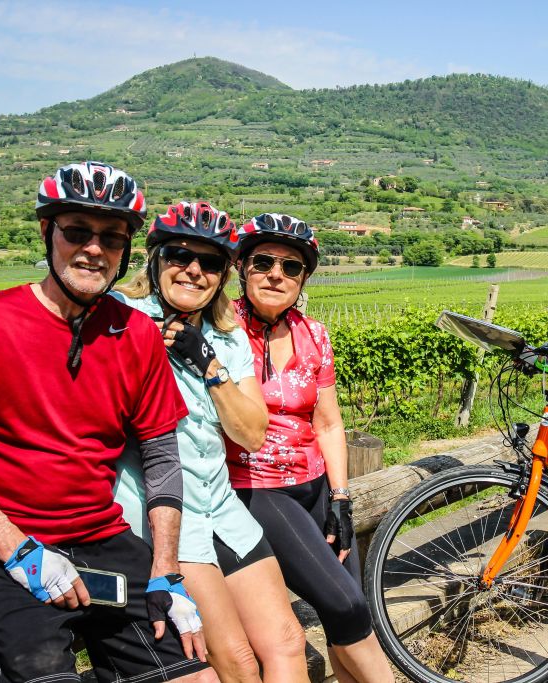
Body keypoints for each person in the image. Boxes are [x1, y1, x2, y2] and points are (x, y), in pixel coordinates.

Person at [0, 201, 311, 682]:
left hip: (215, 505)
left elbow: (252, 434)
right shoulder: (123, 319)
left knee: (287, 640)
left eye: (211, 262)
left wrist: (210, 367)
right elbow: (49, 325)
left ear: (224, 275)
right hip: (153, 516)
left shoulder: (227, 335)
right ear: (153, 259)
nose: (194, 271)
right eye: (178, 255)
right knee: (234, 661)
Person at [0, 161, 215, 683]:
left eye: (111, 238)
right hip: (4, 546)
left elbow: (162, 458)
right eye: (77, 231)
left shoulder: (137, 335)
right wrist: (19, 551)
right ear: (46, 233)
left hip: (104, 537)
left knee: (197, 676)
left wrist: (167, 571)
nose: (94, 248)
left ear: (125, 251)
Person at [228, 213, 393, 683]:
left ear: (304, 278)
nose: (276, 274)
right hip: (258, 487)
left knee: (349, 617)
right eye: (263, 262)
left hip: (317, 485)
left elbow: (328, 421)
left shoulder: (314, 333)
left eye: (292, 267)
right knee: (346, 605)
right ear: (241, 268)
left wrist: (340, 497)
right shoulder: (222, 329)